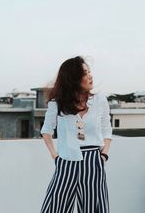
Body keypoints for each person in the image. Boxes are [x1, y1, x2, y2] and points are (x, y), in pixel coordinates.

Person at [39, 55, 112, 213]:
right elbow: (46, 131)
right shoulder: (57, 104)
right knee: (55, 205)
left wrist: (104, 155)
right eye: (85, 73)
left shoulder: (100, 101)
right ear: (73, 78)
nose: (90, 76)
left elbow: (107, 129)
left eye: (89, 72)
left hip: (94, 160)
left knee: (94, 207)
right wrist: (55, 156)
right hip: (66, 160)